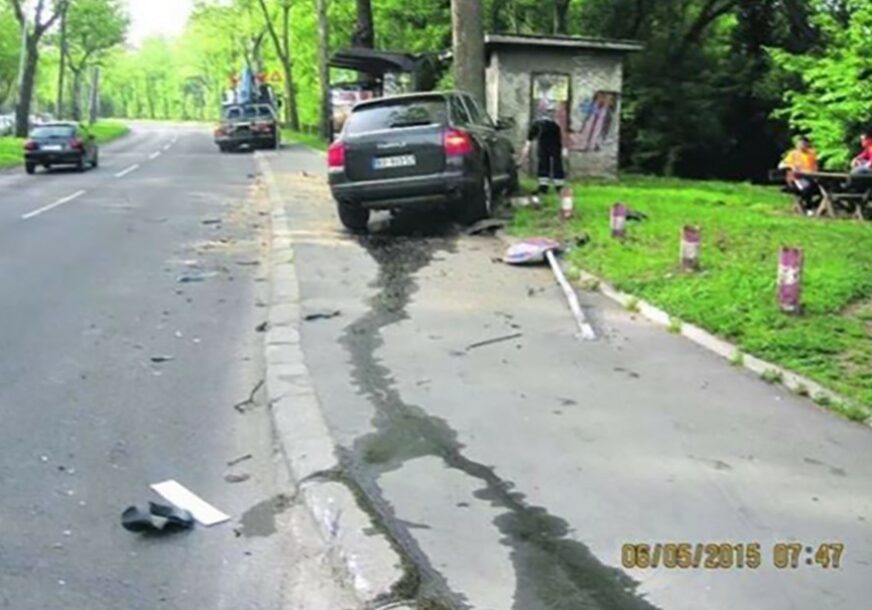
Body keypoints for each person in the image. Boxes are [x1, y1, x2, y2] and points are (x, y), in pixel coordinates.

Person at [522, 102, 567, 194]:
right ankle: (551, 186)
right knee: (548, 164)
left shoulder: (543, 123)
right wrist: (527, 146)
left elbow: (531, 135)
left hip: (551, 145)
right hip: (550, 145)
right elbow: (531, 135)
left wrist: (527, 146)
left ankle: (548, 186)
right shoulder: (547, 123)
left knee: (549, 164)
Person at [779, 136, 820, 213]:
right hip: (797, 178)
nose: (802, 145)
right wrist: (791, 166)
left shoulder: (811, 154)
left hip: (811, 177)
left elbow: (815, 165)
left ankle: (815, 206)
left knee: (823, 188)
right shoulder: (793, 154)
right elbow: (781, 165)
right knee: (807, 189)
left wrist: (814, 171)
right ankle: (809, 208)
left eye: (804, 144)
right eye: (800, 144)